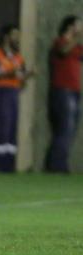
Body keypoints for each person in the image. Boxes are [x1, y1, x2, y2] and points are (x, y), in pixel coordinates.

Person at [0, 25, 34, 172]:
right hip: (0, 94)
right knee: (1, 128)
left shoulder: (18, 57)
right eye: (14, 35)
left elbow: (21, 80)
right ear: (6, 37)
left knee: (11, 129)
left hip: (13, 94)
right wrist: (9, 73)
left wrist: (27, 75)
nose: (17, 38)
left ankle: (8, 166)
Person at [46, 15, 83, 173]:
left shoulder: (77, 47)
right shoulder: (60, 42)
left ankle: (60, 163)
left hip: (75, 92)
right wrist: (77, 37)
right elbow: (63, 51)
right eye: (78, 25)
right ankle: (56, 165)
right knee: (64, 128)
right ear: (70, 26)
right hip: (62, 91)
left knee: (71, 129)